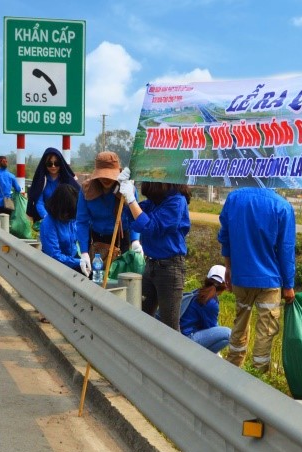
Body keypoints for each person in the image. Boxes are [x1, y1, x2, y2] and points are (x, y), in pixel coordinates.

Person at [217, 187, 296, 372]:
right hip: (269, 281)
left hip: (241, 277)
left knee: (240, 322)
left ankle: (232, 369)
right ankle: (258, 374)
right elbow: (286, 249)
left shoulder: (234, 198)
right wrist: (288, 285)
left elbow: (225, 237)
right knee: (266, 331)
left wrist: (228, 267)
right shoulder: (282, 206)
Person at [118, 178, 190, 330]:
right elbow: (132, 215)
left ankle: (170, 354)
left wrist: (131, 199)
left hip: (170, 268)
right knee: (140, 315)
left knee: (169, 325)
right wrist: (120, 190)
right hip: (151, 265)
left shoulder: (176, 201)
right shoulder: (154, 202)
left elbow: (150, 226)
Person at [76, 151, 140, 275]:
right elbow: (82, 221)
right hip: (97, 241)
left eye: (110, 175)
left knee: (118, 280)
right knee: (97, 279)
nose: (106, 179)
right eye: (102, 175)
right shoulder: (86, 189)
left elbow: (134, 218)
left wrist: (135, 240)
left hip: (121, 240)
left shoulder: (127, 188)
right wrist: (84, 251)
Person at [180, 265, 232, 354]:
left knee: (223, 337)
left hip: (182, 334)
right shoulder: (211, 302)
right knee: (229, 334)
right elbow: (212, 328)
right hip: (188, 338)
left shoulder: (199, 292)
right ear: (225, 286)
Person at [38, 183, 85, 273]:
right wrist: (78, 262)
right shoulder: (48, 224)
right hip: (57, 264)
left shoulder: (71, 219)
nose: (69, 216)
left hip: (73, 257)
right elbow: (54, 255)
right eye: (67, 213)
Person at [26, 147, 79, 226]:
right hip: (46, 220)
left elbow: (76, 201)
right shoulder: (41, 181)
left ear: (61, 163)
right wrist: (47, 218)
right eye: (49, 164)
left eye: (56, 163)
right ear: (45, 164)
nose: (53, 166)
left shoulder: (67, 180)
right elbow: (39, 202)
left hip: (67, 221)